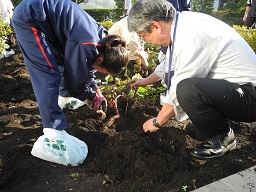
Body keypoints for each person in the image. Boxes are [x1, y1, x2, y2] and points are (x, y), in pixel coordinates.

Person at [128, 0, 256, 159]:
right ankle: (210, 125)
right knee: (186, 88)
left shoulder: (192, 35)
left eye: (143, 35)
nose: (146, 41)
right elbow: (170, 63)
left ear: (155, 26)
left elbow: (179, 85)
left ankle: (223, 138)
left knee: (187, 90)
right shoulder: (182, 25)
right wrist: (145, 80)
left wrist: (157, 122)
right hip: (237, 91)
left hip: (251, 96)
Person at [12, 0, 129, 166]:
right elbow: (75, 82)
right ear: (101, 59)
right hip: (30, 18)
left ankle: (60, 101)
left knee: (59, 65)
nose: (101, 73)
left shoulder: (103, 42)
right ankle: (53, 132)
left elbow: (87, 67)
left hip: (45, 22)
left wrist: (95, 91)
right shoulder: (87, 43)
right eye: (105, 72)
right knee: (48, 74)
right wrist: (88, 95)